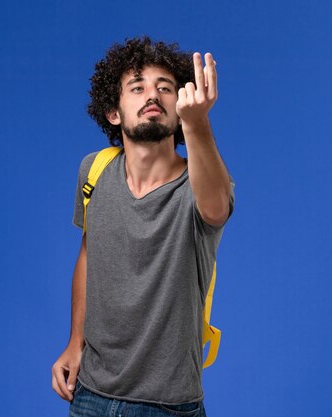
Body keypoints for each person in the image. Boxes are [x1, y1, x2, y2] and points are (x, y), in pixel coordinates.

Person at [51, 36, 234, 417]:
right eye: (138, 87)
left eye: (165, 88)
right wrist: (74, 343)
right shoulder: (94, 171)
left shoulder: (200, 182)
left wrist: (198, 124)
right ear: (114, 112)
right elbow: (89, 255)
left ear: (179, 108)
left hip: (169, 406)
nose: (153, 95)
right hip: (90, 395)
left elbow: (216, 209)